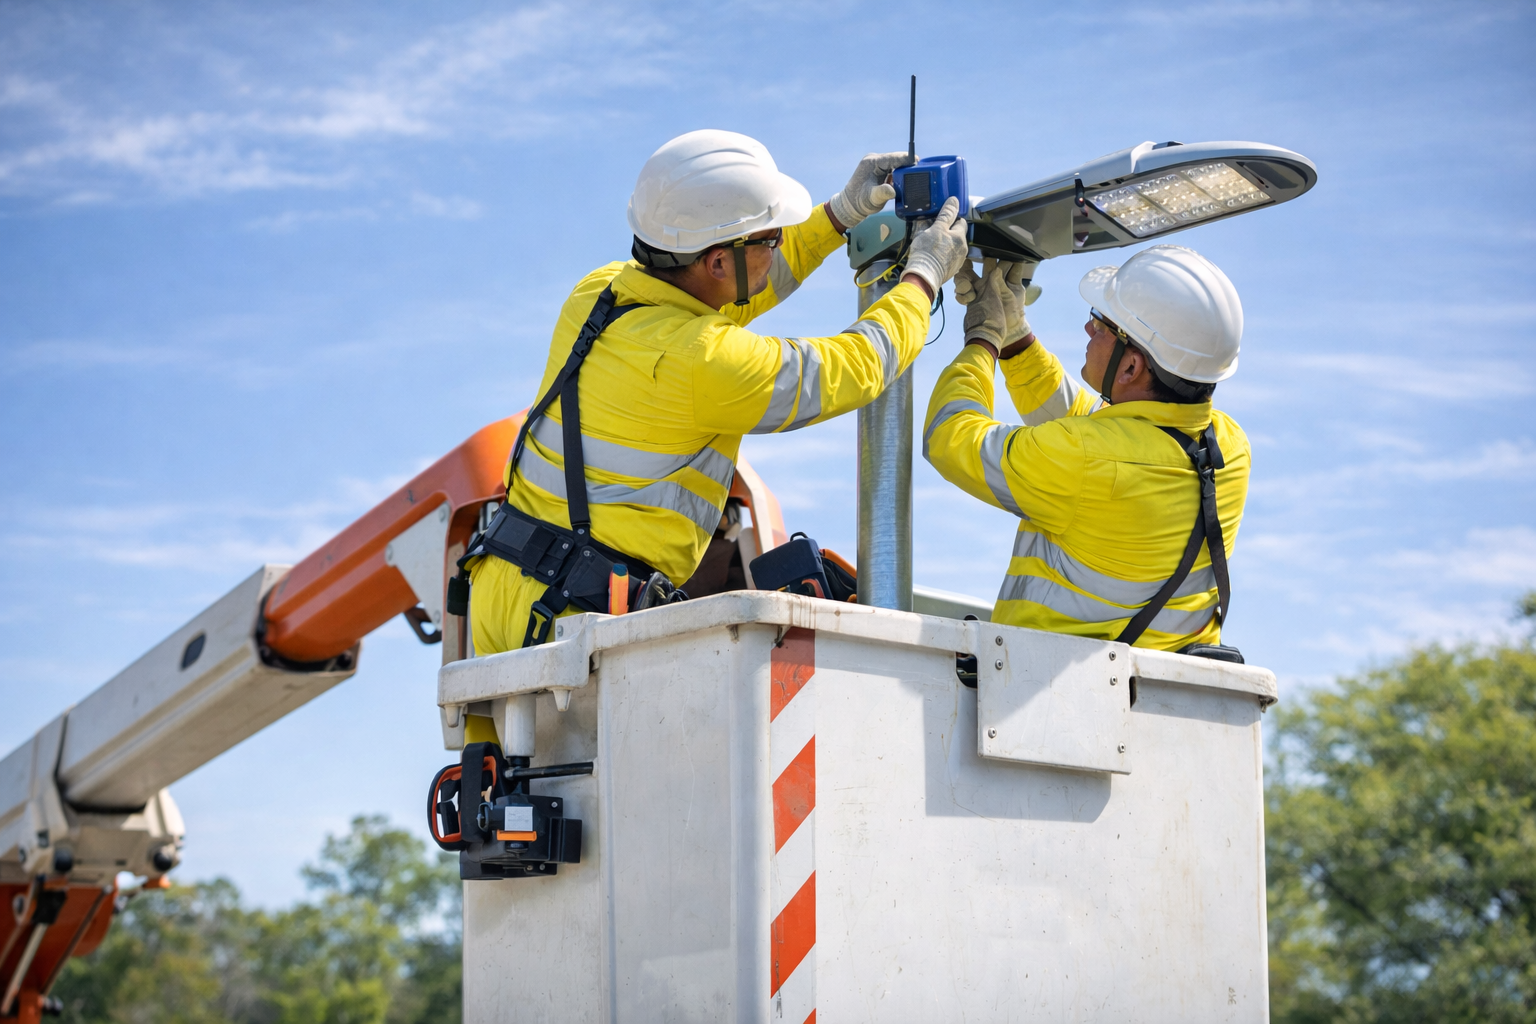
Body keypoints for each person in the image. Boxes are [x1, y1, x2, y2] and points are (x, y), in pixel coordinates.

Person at [461, 129, 969, 688]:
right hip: (574, 623)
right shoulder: (704, 361)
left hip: (500, 591)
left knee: (498, 775)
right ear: (718, 263)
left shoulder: (600, 292)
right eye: (770, 238)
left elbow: (750, 282)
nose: (778, 247)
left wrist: (839, 215)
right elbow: (854, 365)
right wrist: (923, 278)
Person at [922, 246, 1250, 651]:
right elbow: (1095, 425)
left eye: (1102, 323)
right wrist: (1014, 337)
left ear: (1131, 368)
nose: (1088, 329)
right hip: (1160, 693)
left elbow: (949, 435)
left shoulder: (1082, 458)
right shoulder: (1229, 445)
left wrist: (982, 340)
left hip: (1044, 693)